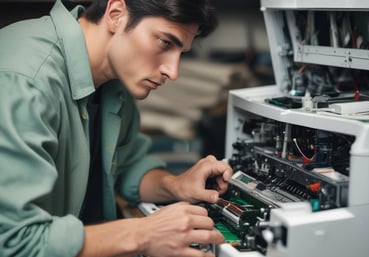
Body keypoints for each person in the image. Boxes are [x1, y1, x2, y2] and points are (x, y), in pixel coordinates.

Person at [0, 0, 233, 257]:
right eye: (165, 43)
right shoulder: (24, 82)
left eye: (181, 53)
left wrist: (175, 185)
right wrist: (143, 233)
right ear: (116, 14)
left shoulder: (114, 83)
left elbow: (123, 167)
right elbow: (13, 240)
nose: (173, 71)